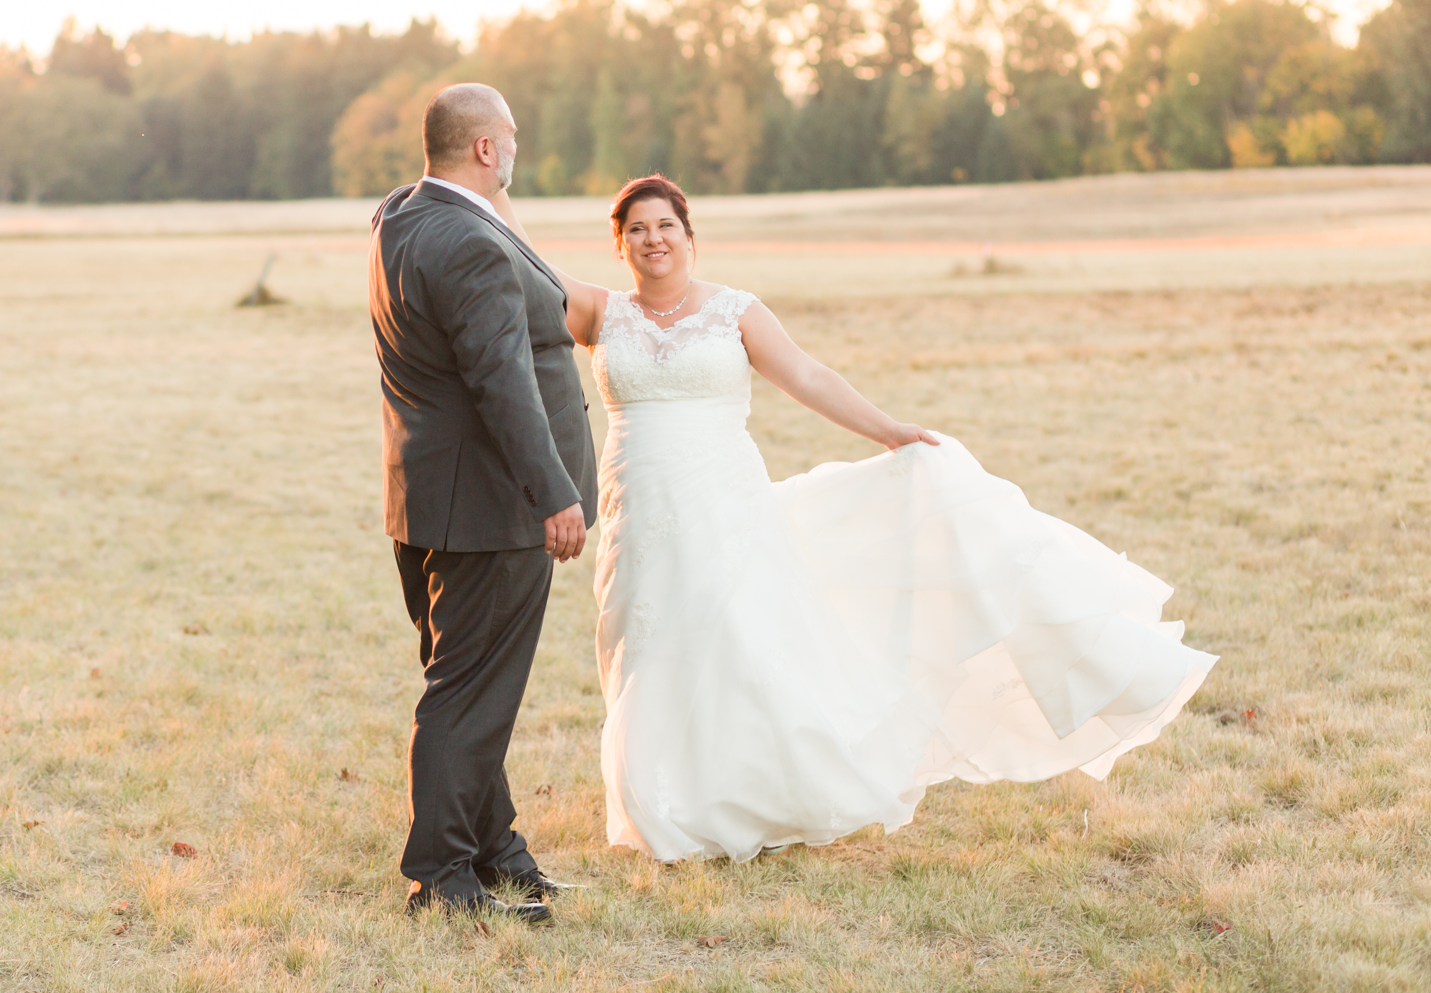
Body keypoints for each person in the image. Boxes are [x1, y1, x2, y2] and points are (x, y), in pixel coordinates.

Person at [491, 173, 1217, 863]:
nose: (655, 239)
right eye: (639, 229)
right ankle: (659, 804)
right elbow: (524, 272)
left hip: (725, 496)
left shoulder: (736, 309)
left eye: (667, 226)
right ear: (620, 244)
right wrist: (495, 193)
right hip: (637, 500)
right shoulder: (598, 311)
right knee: (647, 638)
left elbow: (808, 375)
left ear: (690, 234)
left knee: (734, 633)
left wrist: (887, 429)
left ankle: (745, 797)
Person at [367, 83, 595, 922]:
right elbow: (503, 382)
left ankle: (500, 852)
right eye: (513, 138)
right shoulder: (470, 242)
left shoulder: (401, 214)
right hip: (492, 507)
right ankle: (443, 879)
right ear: (487, 149)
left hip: (426, 496)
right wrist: (554, 494)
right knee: (467, 691)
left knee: (471, 684)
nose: (519, 151)